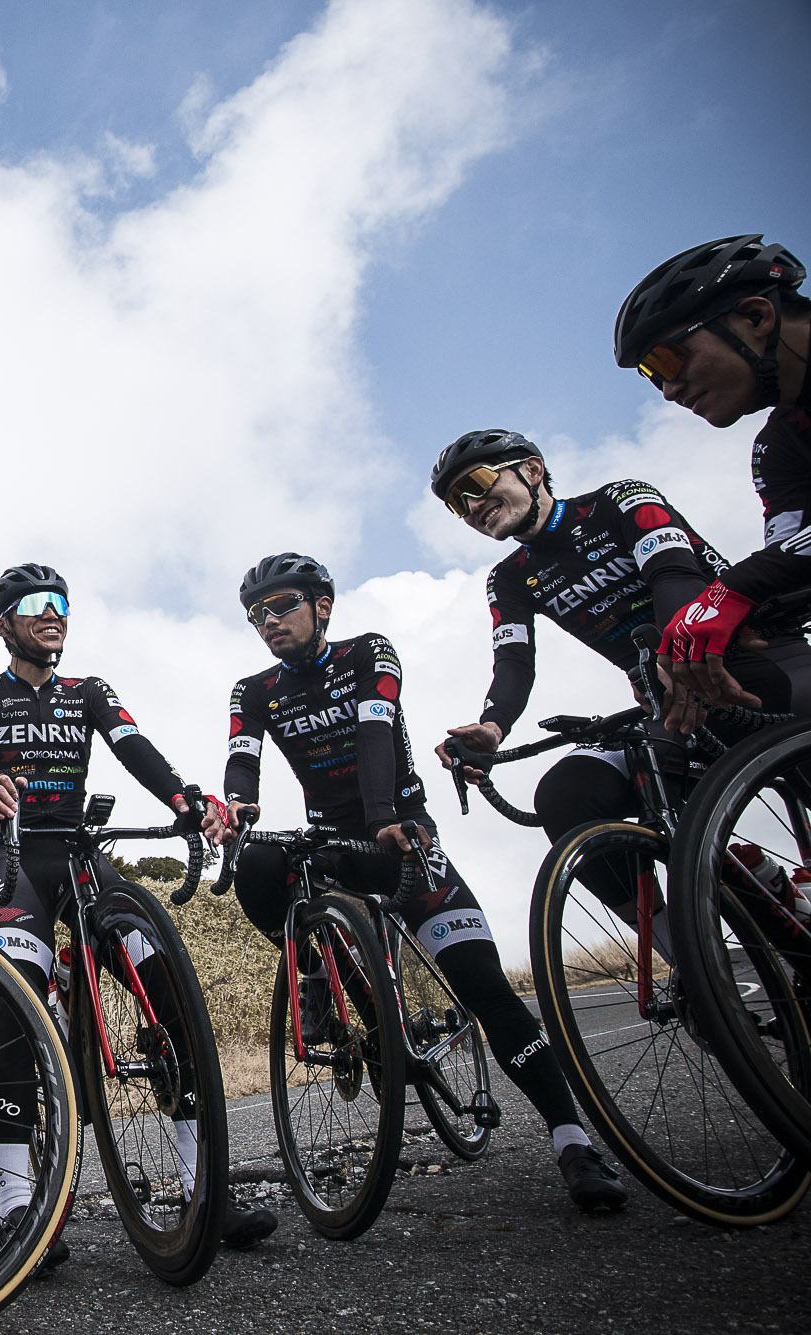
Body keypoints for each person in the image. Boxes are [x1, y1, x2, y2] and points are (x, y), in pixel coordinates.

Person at [202, 552, 628, 1212]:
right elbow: (242, 755)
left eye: (282, 605)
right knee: (259, 864)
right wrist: (237, 807)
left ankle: (574, 1142)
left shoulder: (369, 652)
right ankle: (330, 986)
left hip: (400, 834)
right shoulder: (254, 688)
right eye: (256, 614)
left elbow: (376, 731)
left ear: (322, 606)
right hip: (331, 843)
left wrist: (384, 822)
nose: (268, 621)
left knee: (486, 989)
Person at [0, 563, 277, 1264]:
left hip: (85, 859)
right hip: (17, 865)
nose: (53, 613)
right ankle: (15, 1209)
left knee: (165, 991)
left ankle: (199, 1189)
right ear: (3, 623)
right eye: (35, 604)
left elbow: (134, 747)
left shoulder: (88, 691)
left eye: (61, 602)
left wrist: (186, 801)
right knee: (16, 1010)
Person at [426, 428, 811, 912]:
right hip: (668, 699)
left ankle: (775, 889)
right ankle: (688, 958)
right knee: (566, 796)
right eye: (457, 503)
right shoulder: (507, 578)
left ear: (532, 470)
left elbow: (673, 572)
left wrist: (671, 653)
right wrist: (492, 726)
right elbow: (514, 662)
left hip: (762, 656)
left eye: (478, 482)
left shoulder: (620, 500)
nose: (471, 505)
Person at [614, 235, 811, 730]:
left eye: (668, 361)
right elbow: (791, 555)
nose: (668, 391)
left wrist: (728, 594)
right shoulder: (781, 444)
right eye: (651, 376)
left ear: (756, 317)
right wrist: (715, 626)